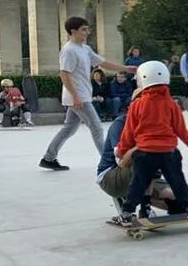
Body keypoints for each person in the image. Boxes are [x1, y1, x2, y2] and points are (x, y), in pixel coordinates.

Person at [39, 16, 136, 171]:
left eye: (87, 29)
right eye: (83, 29)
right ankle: (109, 163)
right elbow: (64, 74)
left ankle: (48, 158)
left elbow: (102, 63)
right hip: (79, 98)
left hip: (81, 96)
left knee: (69, 128)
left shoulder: (85, 49)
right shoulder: (69, 50)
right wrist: (75, 96)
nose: (87, 32)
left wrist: (126, 68)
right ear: (73, 31)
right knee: (97, 128)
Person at [113, 61, 188, 225]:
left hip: (145, 153)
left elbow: (129, 131)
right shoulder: (172, 104)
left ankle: (127, 213)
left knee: (138, 183)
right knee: (177, 181)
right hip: (169, 152)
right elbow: (180, 129)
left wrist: (122, 150)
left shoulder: (137, 104)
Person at [96, 87, 184, 217]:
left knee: (177, 198)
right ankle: (143, 208)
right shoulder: (120, 124)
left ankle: (171, 206)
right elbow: (122, 161)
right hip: (111, 177)